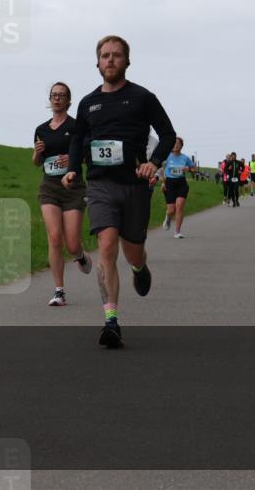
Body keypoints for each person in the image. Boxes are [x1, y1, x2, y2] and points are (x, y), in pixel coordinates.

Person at [62, 35, 176, 348]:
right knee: (107, 245)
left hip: (135, 186)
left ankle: (139, 268)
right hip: (100, 185)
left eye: (116, 55)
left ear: (127, 61)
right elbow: (76, 139)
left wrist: (153, 163)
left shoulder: (143, 97)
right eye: (105, 55)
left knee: (132, 250)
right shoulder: (87, 103)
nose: (110, 60)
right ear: (97, 63)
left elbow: (167, 134)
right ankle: (110, 321)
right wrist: (73, 168)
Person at [33, 82, 93, 306]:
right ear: (50, 100)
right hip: (49, 186)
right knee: (55, 237)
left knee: (72, 243)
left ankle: (79, 255)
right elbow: (37, 162)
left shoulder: (77, 126)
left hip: (73, 188)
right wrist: (37, 154)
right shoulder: (41, 129)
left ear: (69, 100)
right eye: (53, 95)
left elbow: (88, 154)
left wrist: (74, 159)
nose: (57, 98)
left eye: (61, 95)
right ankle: (59, 290)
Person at [160, 137, 196, 238]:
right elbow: (161, 170)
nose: (175, 145)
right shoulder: (167, 157)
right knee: (171, 210)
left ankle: (177, 231)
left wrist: (188, 169)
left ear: (181, 146)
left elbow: (194, 169)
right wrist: (163, 183)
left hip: (181, 183)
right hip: (169, 183)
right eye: (174, 143)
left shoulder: (185, 158)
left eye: (178, 144)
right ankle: (168, 217)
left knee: (179, 206)